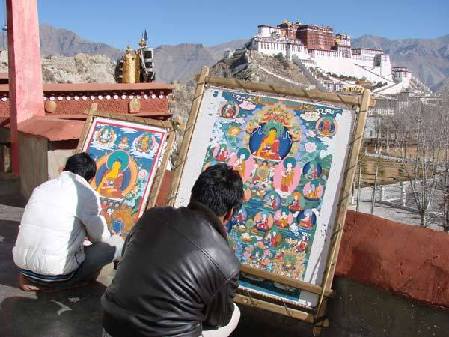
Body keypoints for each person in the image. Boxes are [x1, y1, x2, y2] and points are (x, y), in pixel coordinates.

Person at [102, 164, 244, 337]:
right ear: (229, 214)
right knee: (234, 313)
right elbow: (218, 319)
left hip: (112, 327)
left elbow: (125, 260)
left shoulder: (151, 216)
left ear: (193, 194)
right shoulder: (227, 262)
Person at [13, 152, 123, 291]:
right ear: (90, 179)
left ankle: (31, 280)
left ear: (65, 169)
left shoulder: (42, 187)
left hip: (24, 269)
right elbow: (100, 237)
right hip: (57, 275)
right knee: (116, 244)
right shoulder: (86, 194)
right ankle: (66, 284)